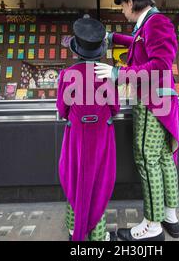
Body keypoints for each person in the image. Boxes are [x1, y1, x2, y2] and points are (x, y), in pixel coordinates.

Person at [94, 0, 179, 241]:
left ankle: (152, 226)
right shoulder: (150, 23)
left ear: (131, 2)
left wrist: (119, 73)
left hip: (154, 101)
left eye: (122, 5)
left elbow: (160, 66)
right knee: (164, 158)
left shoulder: (157, 23)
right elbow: (136, 43)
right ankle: (170, 217)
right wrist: (109, 37)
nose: (121, 10)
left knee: (147, 160)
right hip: (162, 101)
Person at [56, 17, 120, 241]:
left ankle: (75, 229)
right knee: (99, 181)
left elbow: (62, 110)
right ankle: (99, 233)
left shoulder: (67, 75)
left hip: (76, 138)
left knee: (76, 179)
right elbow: (115, 108)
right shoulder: (107, 74)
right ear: (99, 51)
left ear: (77, 51)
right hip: (102, 135)